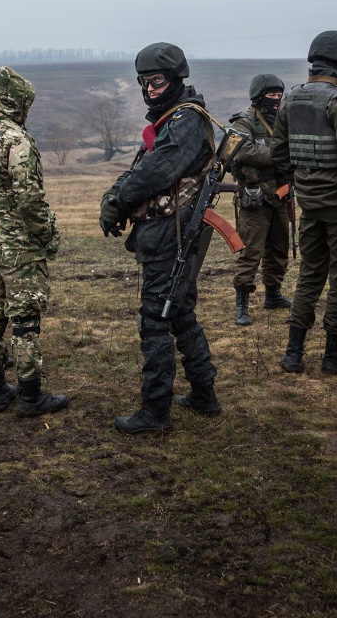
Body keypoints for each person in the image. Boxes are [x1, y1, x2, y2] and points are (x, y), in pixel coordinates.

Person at [100, 42, 222, 433]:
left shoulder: (186, 120)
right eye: (144, 82)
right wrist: (114, 198)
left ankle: (155, 412)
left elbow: (155, 173)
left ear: (176, 78)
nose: (150, 89)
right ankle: (204, 396)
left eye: (157, 81)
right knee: (181, 314)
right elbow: (142, 164)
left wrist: (118, 200)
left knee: (156, 320)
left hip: (171, 234)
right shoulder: (172, 117)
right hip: (164, 231)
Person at [0, 66, 68, 416]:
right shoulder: (16, 140)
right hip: (19, 247)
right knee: (25, 320)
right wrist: (47, 235)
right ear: (15, 100)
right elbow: (30, 200)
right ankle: (31, 396)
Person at [268, 31, 337, 374]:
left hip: (308, 205)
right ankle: (333, 355)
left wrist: (302, 184)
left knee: (309, 275)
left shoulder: (291, 99)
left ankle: (293, 354)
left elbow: (278, 154)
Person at [228, 74, 293, 326]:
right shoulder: (243, 123)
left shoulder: (283, 122)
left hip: (281, 194)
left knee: (279, 248)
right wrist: (279, 156)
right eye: (271, 96)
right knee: (251, 251)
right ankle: (242, 303)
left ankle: (273, 295)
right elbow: (239, 150)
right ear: (258, 97)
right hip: (255, 198)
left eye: (279, 96)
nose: (276, 100)